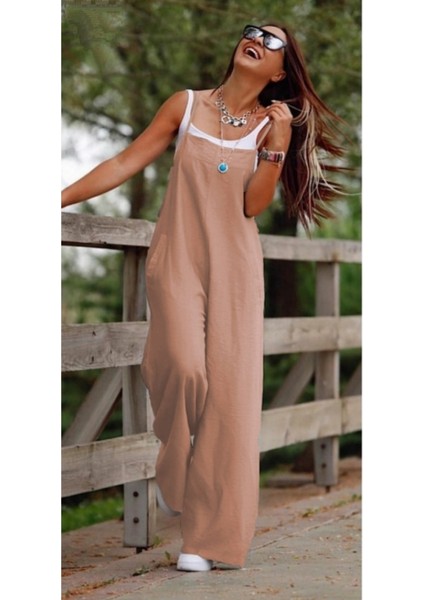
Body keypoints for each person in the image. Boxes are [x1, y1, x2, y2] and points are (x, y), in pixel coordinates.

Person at [62, 23, 345, 572]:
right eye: (253, 31)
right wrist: (57, 198)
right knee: (183, 366)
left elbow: (253, 206)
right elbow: (124, 162)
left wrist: (276, 148)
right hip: (178, 259)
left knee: (230, 401)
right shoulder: (186, 105)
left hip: (235, 269)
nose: (256, 39)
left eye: (272, 41)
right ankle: (176, 473)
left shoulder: (270, 125)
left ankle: (207, 541)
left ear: (279, 72)